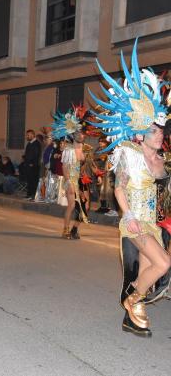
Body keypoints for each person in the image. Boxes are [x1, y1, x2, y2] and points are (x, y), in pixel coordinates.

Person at [91, 40, 171, 337]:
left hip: (150, 221)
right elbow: (119, 189)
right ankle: (132, 301)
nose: (160, 134)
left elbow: (165, 187)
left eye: (162, 130)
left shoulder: (159, 160)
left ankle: (133, 315)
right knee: (163, 263)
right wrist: (128, 215)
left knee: (149, 273)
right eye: (154, 131)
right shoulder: (129, 154)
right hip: (134, 222)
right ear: (141, 133)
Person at [51, 108, 88, 240]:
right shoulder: (69, 149)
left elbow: (83, 166)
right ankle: (65, 230)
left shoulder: (84, 149)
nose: (81, 135)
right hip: (70, 180)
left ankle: (75, 229)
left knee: (85, 207)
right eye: (79, 133)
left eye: (82, 133)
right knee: (72, 205)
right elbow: (65, 167)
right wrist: (68, 182)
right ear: (73, 135)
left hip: (81, 180)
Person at [24, 129, 41, 200]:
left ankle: (33, 195)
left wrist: (32, 163)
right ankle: (29, 194)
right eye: (27, 135)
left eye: (28, 135)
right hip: (28, 165)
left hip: (33, 166)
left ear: (33, 135)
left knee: (34, 181)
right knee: (29, 180)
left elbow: (36, 155)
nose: (27, 136)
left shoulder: (36, 143)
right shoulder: (29, 143)